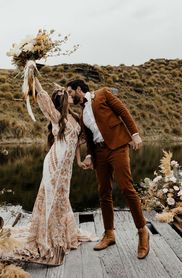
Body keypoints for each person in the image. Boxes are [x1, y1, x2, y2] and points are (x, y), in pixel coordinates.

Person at [14, 78, 94, 265]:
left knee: (62, 197)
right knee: (52, 197)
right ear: (64, 100)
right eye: (67, 95)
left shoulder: (74, 119)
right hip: (54, 163)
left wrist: (80, 160)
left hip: (66, 168)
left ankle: (61, 232)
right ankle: (50, 236)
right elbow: (43, 98)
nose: (71, 96)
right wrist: (33, 75)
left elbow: (75, 145)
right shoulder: (57, 116)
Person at [67, 80, 150, 259]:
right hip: (100, 152)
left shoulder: (103, 94)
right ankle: (109, 234)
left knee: (127, 188)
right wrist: (89, 156)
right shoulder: (82, 114)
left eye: (70, 92)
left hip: (118, 147)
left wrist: (135, 135)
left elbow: (123, 111)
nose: (69, 96)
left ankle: (142, 232)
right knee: (104, 192)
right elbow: (89, 138)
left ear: (79, 90)